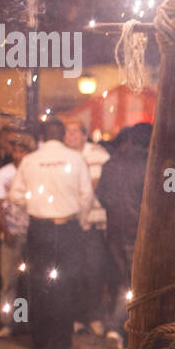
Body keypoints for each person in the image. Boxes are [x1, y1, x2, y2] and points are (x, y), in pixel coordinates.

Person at [9, 120, 93, 349]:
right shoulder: (75, 159)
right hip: (68, 228)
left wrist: (33, 205)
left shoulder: (29, 160)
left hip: (40, 228)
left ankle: (41, 339)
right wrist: (81, 221)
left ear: (43, 136)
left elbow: (14, 195)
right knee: (65, 282)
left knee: (39, 282)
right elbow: (86, 196)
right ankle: (61, 339)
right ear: (63, 135)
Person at [97, 122, 152, 349]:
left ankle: (119, 328)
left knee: (122, 282)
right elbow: (168, 194)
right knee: (133, 284)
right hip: (140, 232)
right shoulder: (151, 165)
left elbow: (100, 195)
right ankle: (116, 328)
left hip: (114, 234)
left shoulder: (111, 164)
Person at [65, 119, 111, 336]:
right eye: (67, 131)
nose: (70, 135)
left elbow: (95, 186)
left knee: (94, 270)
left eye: (75, 131)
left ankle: (94, 317)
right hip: (70, 221)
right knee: (72, 272)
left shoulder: (98, 155)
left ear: (85, 135)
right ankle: (75, 317)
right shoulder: (61, 156)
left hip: (94, 223)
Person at [0, 133, 34, 337]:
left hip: (32, 233)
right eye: (15, 150)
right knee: (9, 281)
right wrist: (5, 230)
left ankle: (23, 320)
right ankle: (9, 322)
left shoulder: (34, 173)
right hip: (12, 233)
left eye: (22, 151)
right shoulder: (4, 173)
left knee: (28, 281)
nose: (18, 155)